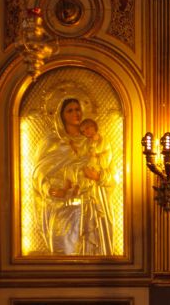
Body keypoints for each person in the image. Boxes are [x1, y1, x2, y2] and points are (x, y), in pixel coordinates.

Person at [32, 98, 115, 255]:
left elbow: (112, 176)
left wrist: (97, 176)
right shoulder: (53, 142)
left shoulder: (95, 141)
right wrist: (49, 189)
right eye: (70, 110)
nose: (75, 113)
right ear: (61, 115)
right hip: (63, 207)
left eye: (77, 109)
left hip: (90, 206)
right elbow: (38, 173)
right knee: (64, 253)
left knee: (90, 254)